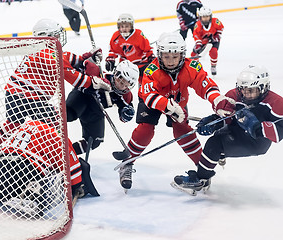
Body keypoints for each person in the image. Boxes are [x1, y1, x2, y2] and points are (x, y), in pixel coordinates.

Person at [0, 19, 111, 164]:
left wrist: (85, 58)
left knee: (13, 123)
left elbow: (66, 58)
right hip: (29, 97)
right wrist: (92, 82)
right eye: (56, 36)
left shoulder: (41, 50)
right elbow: (71, 75)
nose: (59, 39)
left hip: (14, 93)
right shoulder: (48, 55)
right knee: (56, 122)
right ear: (46, 37)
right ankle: (61, 159)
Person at [113, 32, 235, 190]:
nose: (170, 61)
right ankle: (127, 163)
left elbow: (204, 83)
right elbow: (149, 95)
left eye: (174, 56)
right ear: (159, 54)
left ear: (182, 55)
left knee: (182, 130)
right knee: (145, 130)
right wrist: (167, 106)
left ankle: (202, 168)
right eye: (166, 56)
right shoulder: (151, 70)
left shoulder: (191, 67)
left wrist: (217, 99)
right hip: (153, 101)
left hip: (178, 100)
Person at [171, 65, 283, 196]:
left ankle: (200, 179)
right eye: (243, 90)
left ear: (263, 88)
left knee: (215, 144)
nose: (245, 94)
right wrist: (213, 122)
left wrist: (257, 128)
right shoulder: (234, 95)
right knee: (218, 136)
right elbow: (228, 117)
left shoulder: (276, 103)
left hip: (257, 142)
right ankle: (217, 158)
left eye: (251, 90)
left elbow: (279, 133)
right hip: (236, 131)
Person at [0, 119, 99, 215]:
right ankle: (31, 193)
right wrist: (78, 186)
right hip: (25, 169)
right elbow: (74, 172)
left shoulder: (26, 125)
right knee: (47, 180)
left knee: (1, 191)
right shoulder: (57, 135)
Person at [66, 60, 139, 155]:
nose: (123, 87)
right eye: (122, 82)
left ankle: (68, 154)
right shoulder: (96, 72)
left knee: (94, 141)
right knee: (67, 115)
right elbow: (77, 66)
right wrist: (90, 59)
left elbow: (125, 114)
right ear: (116, 74)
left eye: (127, 85)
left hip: (96, 110)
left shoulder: (125, 95)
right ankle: (45, 132)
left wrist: (126, 114)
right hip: (82, 97)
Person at [105, 13, 154, 85]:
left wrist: (151, 56)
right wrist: (111, 58)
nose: (124, 29)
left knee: (144, 83)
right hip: (126, 65)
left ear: (131, 26)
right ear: (118, 27)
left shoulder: (138, 34)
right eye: (122, 26)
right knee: (121, 84)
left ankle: (142, 95)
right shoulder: (116, 36)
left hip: (141, 64)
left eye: (127, 26)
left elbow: (147, 49)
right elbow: (113, 51)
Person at [191, 6, 224, 76]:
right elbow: (196, 34)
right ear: (200, 17)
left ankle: (213, 66)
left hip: (214, 39)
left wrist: (217, 35)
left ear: (210, 16)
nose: (205, 18)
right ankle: (195, 69)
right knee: (194, 54)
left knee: (213, 52)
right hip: (203, 41)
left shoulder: (215, 21)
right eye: (203, 17)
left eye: (207, 16)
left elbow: (221, 28)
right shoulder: (198, 24)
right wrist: (198, 44)